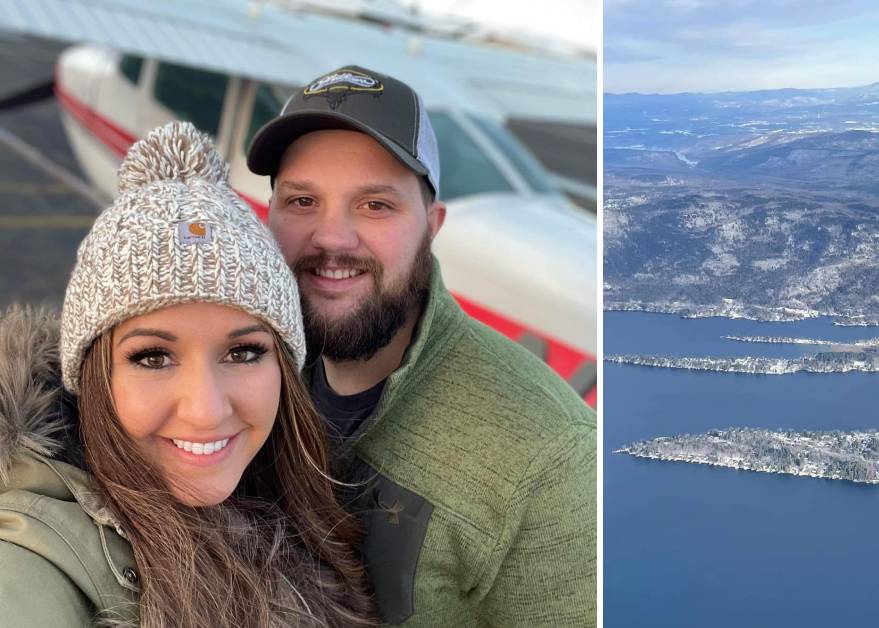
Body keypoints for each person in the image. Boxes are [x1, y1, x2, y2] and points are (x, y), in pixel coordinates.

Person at [246, 66, 597, 626]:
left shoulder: (551, 458)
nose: (332, 238)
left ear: (432, 226)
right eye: (303, 201)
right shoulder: (242, 366)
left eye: (375, 205)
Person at [0, 122, 374, 627]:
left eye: (243, 353)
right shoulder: (26, 570)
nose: (205, 409)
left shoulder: (292, 512)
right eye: (153, 357)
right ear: (93, 377)